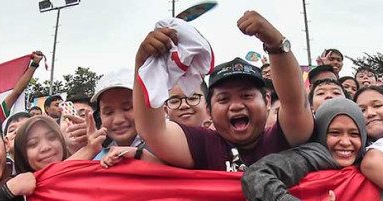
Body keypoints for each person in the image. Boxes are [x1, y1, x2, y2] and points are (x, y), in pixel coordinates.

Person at [134, 11, 314, 171]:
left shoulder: (283, 137)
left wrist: (276, 44)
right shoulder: (203, 145)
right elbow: (153, 131)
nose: (236, 106)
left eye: (246, 96)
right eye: (223, 99)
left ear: (267, 101)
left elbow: (296, 103)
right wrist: (144, 64)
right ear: (208, 111)